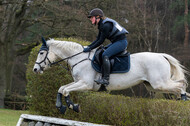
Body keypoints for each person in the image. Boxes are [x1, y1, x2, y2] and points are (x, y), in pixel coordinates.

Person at [83, 8, 129, 86]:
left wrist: (90, 48)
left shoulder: (106, 25)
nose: (90, 19)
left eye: (92, 17)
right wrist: (88, 46)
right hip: (116, 42)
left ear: (98, 17)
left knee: (105, 55)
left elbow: (100, 41)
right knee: (102, 52)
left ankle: (106, 79)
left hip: (121, 42)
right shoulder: (102, 25)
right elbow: (97, 39)